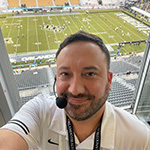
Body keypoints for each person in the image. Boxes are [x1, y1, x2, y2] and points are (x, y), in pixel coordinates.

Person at [0, 31, 150, 150]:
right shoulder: (40, 111)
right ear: (56, 79)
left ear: (109, 80)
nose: (75, 90)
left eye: (90, 74)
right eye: (65, 74)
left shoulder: (140, 138)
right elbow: (8, 139)